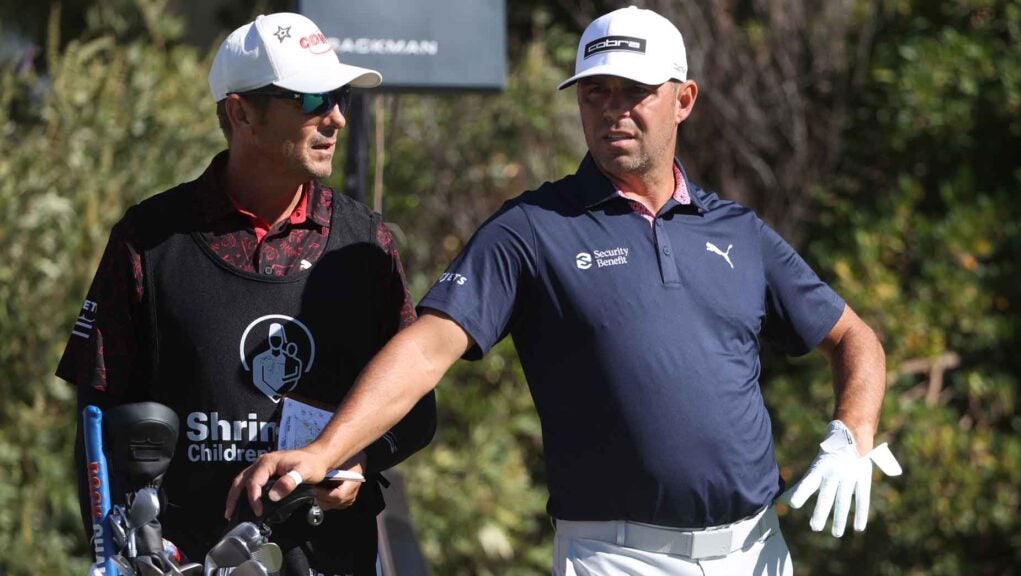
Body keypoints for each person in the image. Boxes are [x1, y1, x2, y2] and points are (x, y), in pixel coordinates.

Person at [226, 7, 901, 575]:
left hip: (755, 551)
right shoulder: (533, 228)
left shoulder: (739, 232)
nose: (613, 111)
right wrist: (326, 450)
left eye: (632, 90)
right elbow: (427, 347)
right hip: (614, 556)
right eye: (594, 92)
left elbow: (854, 338)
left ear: (683, 99)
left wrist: (854, 432)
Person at [59, 12, 436, 575]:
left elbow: (415, 407)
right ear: (242, 113)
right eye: (312, 98)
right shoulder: (150, 239)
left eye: (340, 97)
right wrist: (115, 555)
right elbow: (96, 421)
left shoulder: (367, 241)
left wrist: (353, 461)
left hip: (335, 557)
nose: (334, 117)